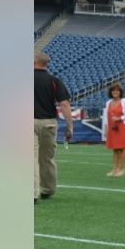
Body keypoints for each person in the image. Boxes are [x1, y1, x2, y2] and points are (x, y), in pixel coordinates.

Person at [34, 49, 74, 202]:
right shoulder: (54, 81)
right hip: (49, 123)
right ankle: (47, 189)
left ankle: (32, 193)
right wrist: (70, 126)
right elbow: (64, 103)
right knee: (47, 158)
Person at [104, 83, 125, 177]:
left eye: (117, 90)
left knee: (122, 148)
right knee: (115, 149)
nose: (115, 92)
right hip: (112, 128)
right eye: (113, 90)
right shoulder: (108, 103)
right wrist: (106, 128)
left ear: (120, 92)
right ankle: (114, 169)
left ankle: (121, 169)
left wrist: (119, 118)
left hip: (122, 127)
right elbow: (106, 117)